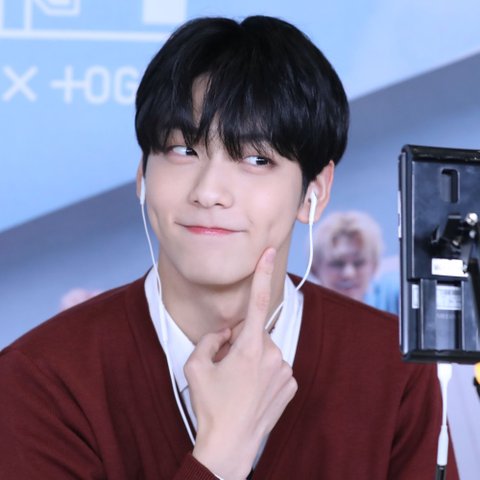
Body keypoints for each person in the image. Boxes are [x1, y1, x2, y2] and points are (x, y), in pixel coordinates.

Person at [0, 16, 458, 480]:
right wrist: (221, 454)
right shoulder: (41, 379)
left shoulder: (395, 368)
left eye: (256, 159)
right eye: (182, 150)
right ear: (142, 174)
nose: (209, 192)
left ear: (315, 191)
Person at [311, 210, 399, 313]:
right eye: (337, 264)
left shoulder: (393, 296)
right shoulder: (304, 310)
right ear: (314, 270)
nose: (349, 273)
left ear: (374, 266)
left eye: (359, 263)